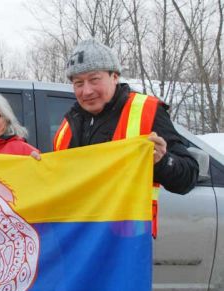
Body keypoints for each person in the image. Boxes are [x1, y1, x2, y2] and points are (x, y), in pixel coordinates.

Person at [53, 38, 199, 237]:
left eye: (94, 79)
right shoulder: (66, 126)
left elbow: (188, 177)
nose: (86, 90)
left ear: (114, 76)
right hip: (77, 242)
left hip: (126, 243)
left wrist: (163, 162)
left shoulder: (146, 111)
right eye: (78, 83)